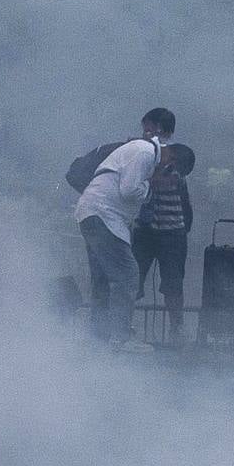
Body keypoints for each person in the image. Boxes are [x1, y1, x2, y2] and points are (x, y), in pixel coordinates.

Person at [73, 108, 189, 350]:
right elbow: (129, 190)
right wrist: (150, 185)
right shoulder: (145, 153)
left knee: (103, 277)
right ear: (168, 155)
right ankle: (121, 336)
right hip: (103, 214)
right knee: (127, 275)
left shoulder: (140, 151)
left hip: (92, 212)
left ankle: (99, 335)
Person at [131, 112, 195, 345]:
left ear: (159, 128)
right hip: (147, 229)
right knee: (133, 278)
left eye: (147, 129)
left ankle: (177, 330)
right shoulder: (143, 151)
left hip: (172, 231)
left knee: (172, 284)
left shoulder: (174, 155)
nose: (144, 133)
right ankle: (124, 325)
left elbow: (171, 182)